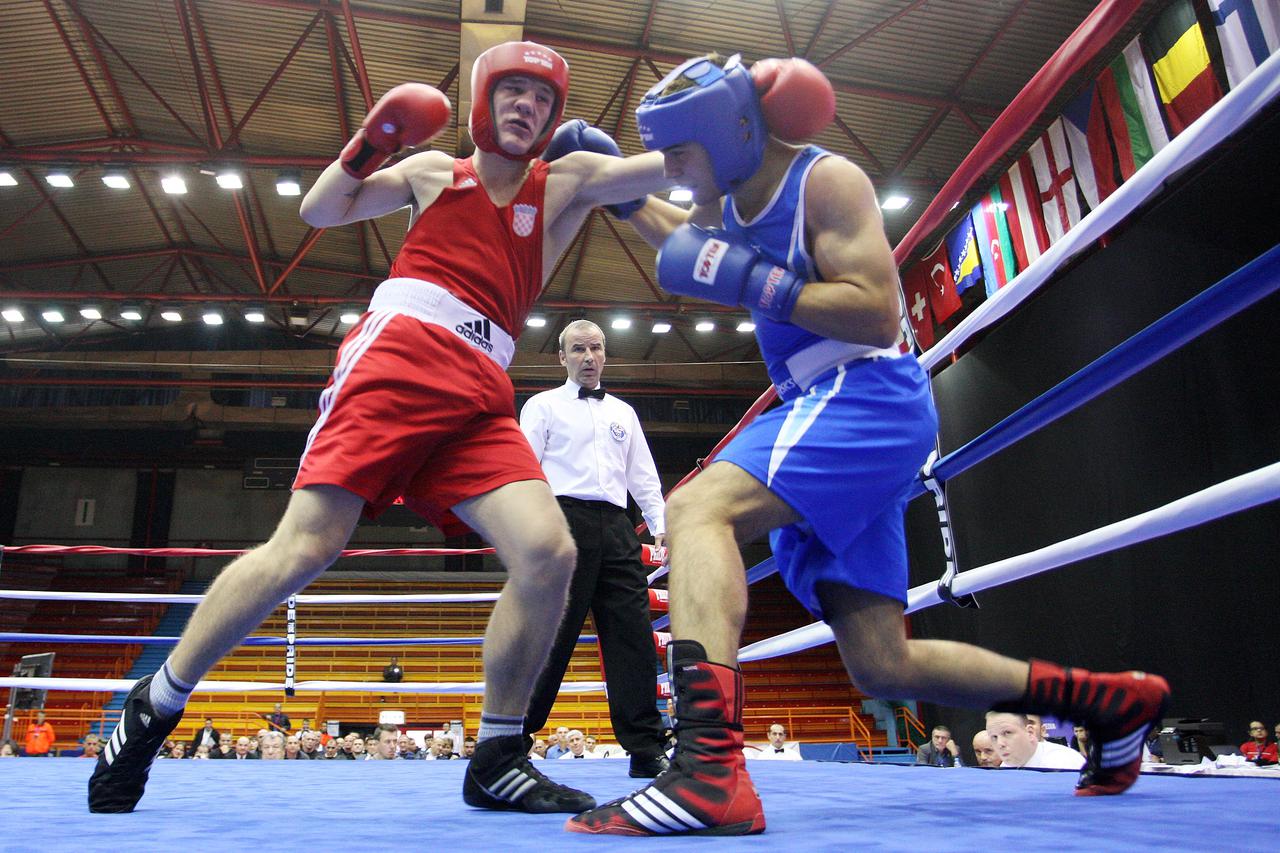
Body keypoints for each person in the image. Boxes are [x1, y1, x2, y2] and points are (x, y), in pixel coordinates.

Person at [566, 52, 1170, 836]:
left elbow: (875, 314)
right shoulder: (734, 193)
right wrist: (628, 198)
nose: (675, 170)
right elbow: (694, 242)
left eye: (681, 154)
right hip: (826, 402)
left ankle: (708, 769)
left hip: (865, 391)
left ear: (728, 134)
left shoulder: (828, 182)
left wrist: (755, 284)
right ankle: (1109, 701)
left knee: (697, 509)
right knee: (883, 660)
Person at [86, 39, 670, 816]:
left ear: (554, 115)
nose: (527, 105)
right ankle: (154, 703)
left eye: (542, 96)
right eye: (514, 90)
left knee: (549, 550)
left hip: (480, 386)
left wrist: (743, 123)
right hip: (397, 356)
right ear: (484, 99)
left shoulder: (566, 183)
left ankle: (498, 755)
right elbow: (320, 208)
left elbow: (679, 172)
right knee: (307, 546)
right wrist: (373, 141)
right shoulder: (437, 173)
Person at [519, 318, 670, 778]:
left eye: (596, 348)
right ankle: (512, 742)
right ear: (561, 357)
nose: (589, 356)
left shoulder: (623, 412)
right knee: (552, 636)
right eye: (579, 349)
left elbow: (642, 472)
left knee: (632, 637)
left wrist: (659, 522)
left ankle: (646, 748)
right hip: (562, 522)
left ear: (606, 354)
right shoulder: (542, 406)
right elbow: (525, 467)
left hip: (617, 526)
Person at [985, 712, 1084, 770]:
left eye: (1007, 733)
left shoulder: (1066, 762)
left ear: (1030, 732)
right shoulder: (1006, 766)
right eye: (994, 737)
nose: (1000, 744)